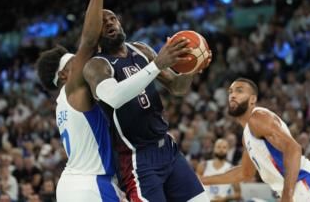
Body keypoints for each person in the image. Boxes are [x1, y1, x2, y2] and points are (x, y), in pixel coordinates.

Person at [82, 11, 212, 201]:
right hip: (138, 159)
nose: (110, 24)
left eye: (113, 19)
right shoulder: (96, 65)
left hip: (167, 148)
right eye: (102, 23)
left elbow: (177, 87)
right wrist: (156, 65)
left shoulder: (141, 50)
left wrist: (192, 68)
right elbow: (113, 97)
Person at [35, 0, 122, 202]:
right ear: (64, 75)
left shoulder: (66, 101)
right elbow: (89, 40)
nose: (83, 61)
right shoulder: (73, 85)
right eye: (74, 61)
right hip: (92, 183)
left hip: (74, 184)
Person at [200, 78, 310, 202]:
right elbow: (245, 173)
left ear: (252, 100)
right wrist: (202, 180)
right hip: (292, 190)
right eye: (230, 92)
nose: (232, 95)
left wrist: (287, 194)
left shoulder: (258, 118)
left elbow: (293, 149)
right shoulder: (246, 135)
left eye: (239, 91)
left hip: (308, 184)